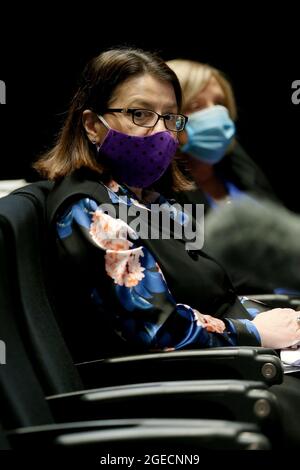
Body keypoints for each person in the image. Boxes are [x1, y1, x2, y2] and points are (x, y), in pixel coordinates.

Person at [33, 47, 300, 365]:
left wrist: (282, 322)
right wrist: (255, 332)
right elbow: (159, 329)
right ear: (92, 125)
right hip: (184, 381)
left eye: (170, 117)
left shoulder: (147, 199)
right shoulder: (91, 210)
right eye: (140, 114)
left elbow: (214, 295)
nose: (161, 131)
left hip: (238, 358)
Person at [163, 59, 281, 293]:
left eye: (219, 103)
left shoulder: (238, 167)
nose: (215, 115)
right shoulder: (157, 192)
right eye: (196, 105)